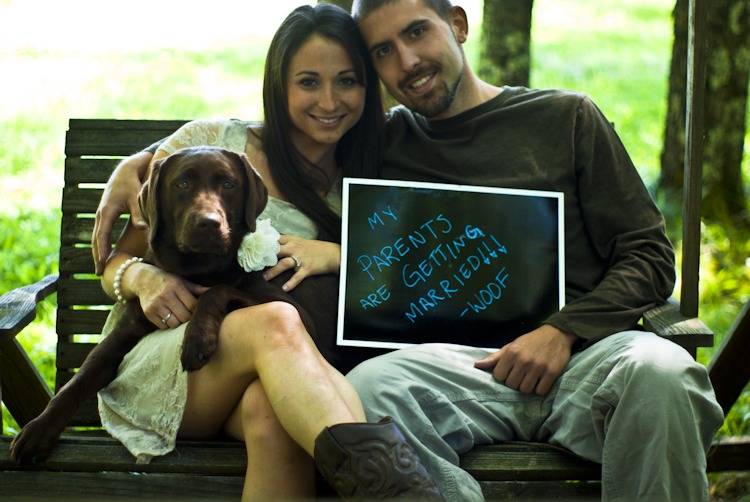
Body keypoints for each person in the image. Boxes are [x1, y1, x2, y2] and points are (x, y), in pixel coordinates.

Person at [92, 1, 725, 501]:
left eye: (419, 33)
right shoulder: (379, 146)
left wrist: (563, 330)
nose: (409, 61)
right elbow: (261, 141)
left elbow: (648, 254)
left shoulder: (565, 119)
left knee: (665, 375)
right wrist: (137, 166)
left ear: (457, 24)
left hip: (587, 355)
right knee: (368, 388)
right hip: (450, 366)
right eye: (384, 53)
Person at [86, 4, 442, 501]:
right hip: (171, 357)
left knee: (271, 414)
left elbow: (419, 267)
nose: (330, 100)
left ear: (368, 86)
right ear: (279, 85)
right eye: (308, 82)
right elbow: (114, 266)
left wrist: (338, 253)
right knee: (275, 321)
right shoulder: (217, 143)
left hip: (280, 375)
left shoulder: (370, 180)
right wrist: (143, 279)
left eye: (347, 81)